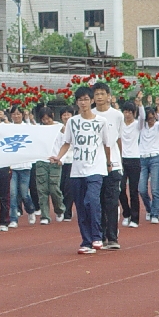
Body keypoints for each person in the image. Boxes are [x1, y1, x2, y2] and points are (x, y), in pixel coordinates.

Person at [51, 85, 112, 254]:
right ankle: (86, 241)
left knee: (91, 200)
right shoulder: (72, 121)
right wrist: (59, 157)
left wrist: (109, 162)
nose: (83, 102)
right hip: (77, 169)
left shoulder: (101, 122)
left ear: (92, 100)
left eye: (86, 99)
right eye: (80, 100)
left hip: (96, 167)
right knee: (80, 205)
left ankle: (97, 236)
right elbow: (67, 142)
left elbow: (107, 144)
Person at [93, 82, 124, 250]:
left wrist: (120, 161)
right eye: (96, 94)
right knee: (97, 201)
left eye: (102, 94)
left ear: (108, 96)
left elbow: (118, 139)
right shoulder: (90, 115)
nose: (99, 97)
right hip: (96, 165)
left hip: (114, 165)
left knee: (111, 201)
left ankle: (112, 237)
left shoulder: (117, 115)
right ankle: (101, 235)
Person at [33, 107, 65, 224]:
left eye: (48, 119)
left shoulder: (60, 128)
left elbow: (66, 144)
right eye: (44, 119)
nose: (46, 121)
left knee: (54, 189)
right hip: (42, 161)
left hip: (55, 161)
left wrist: (62, 159)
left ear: (52, 116)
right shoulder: (39, 129)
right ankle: (45, 216)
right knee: (42, 190)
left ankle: (59, 209)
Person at [137, 98, 159, 224]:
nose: (150, 120)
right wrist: (140, 104)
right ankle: (149, 209)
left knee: (155, 188)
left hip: (155, 158)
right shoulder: (141, 127)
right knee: (142, 189)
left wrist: (158, 107)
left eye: (152, 117)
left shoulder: (158, 127)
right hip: (142, 158)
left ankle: (155, 213)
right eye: (148, 118)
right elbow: (141, 116)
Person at [7, 105, 37, 228]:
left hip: (25, 166)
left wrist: (30, 118)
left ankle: (30, 209)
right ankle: (13, 218)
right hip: (12, 166)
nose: (16, 116)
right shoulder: (8, 128)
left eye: (18, 114)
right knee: (13, 193)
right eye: (14, 114)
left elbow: (37, 133)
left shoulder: (28, 127)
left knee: (24, 193)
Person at [118, 99, 143, 228]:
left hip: (134, 159)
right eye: (125, 112)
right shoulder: (120, 124)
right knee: (120, 188)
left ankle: (135, 218)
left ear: (134, 113)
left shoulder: (138, 124)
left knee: (133, 190)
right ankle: (126, 213)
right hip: (121, 159)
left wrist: (140, 105)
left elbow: (143, 117)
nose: (127, 114)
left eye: (129, 112)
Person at [58, 105, 76, 221]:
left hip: (72, 160)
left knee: (69, 188)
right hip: (60, 161)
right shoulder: (58, 129)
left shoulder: (76, 128)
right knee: (60, 186)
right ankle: (61, 208)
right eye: (64, 115)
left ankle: (67, 212)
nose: (66, 117)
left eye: (68, 114)